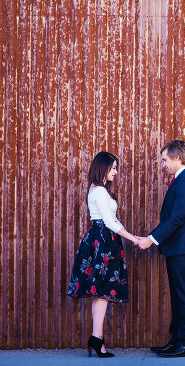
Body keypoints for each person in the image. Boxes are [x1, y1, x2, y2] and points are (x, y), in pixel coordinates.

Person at [137, 140, 185, 358]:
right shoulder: (181, 180)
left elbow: (177, 218)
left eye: (165, 160)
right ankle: (177, 340)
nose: (163, 165)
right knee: (179, 296)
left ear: (177, 159)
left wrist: (151, 239)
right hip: (178, 248)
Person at [68, 151, 143, 358]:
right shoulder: (100, 192)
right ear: (103, 167)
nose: (116, 172)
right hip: (103, 240)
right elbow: (109, 222)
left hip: (103, 239)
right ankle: (97, 337)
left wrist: (129, 235)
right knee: (102, 291)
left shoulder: (98, 190)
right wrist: (133, 239)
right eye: (114, 168)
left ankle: (96, 337)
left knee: (100, 291)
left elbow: (112, 220)